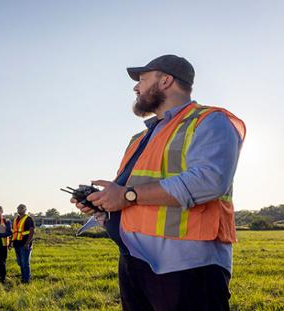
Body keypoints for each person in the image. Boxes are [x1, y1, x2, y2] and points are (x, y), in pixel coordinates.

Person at [72, 54, 245, 311]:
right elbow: (134, 195)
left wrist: (127, 196)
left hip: (187, 268)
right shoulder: (141, 137)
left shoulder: (209, 121)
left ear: (165, 81)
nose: (135, 87)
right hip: (135, 262)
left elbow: (209, 181)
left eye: (142, 79)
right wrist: (105, 207)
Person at [10, 203, 34, 283]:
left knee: (25, 263)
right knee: (20, 262)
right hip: (17, 244)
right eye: (18, 208)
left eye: (22, 208)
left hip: (25, 244)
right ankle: (24, 277)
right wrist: (11, 242)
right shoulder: (15, 219)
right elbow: (14, 232)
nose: (19, 209)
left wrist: (27, 243)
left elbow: (31, 232)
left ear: (25, 209)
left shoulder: (28, 219)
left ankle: (26, 279)